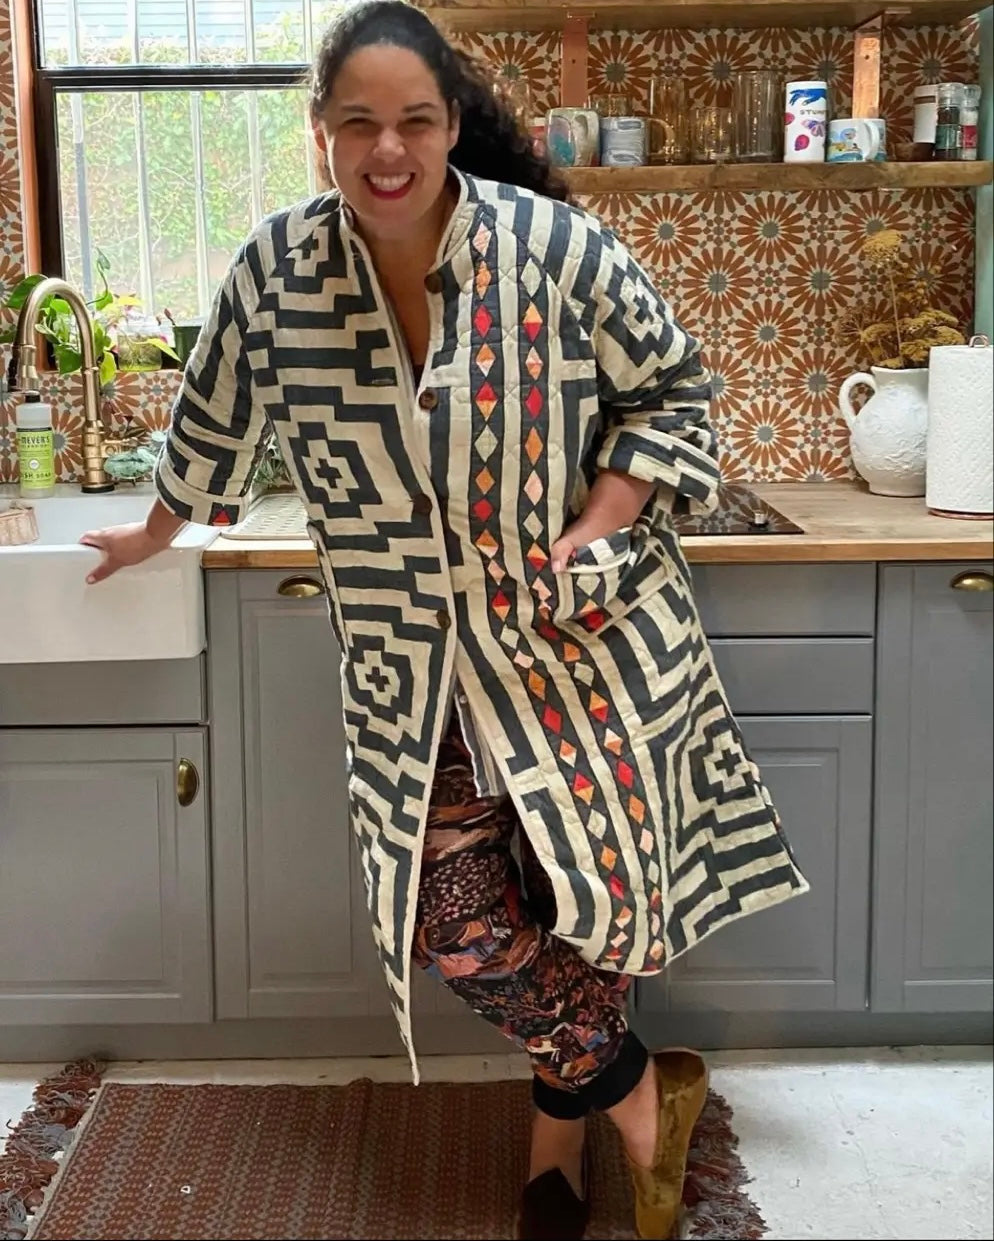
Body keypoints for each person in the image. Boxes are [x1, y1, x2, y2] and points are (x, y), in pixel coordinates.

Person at [80, 3, 809, 1236]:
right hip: (412, 669)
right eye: (356, 121)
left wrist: (606, 512)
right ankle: (641, 1097)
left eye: (413, 118)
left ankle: (549, 1147)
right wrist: (156, 529)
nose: (387, 149)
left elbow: (673, 386)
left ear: (452, 123)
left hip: (579, 644)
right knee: (461, 921)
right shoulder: (277, 266)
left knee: (584, 901)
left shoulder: (555, 248)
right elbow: (211, 415)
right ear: (318, 134)